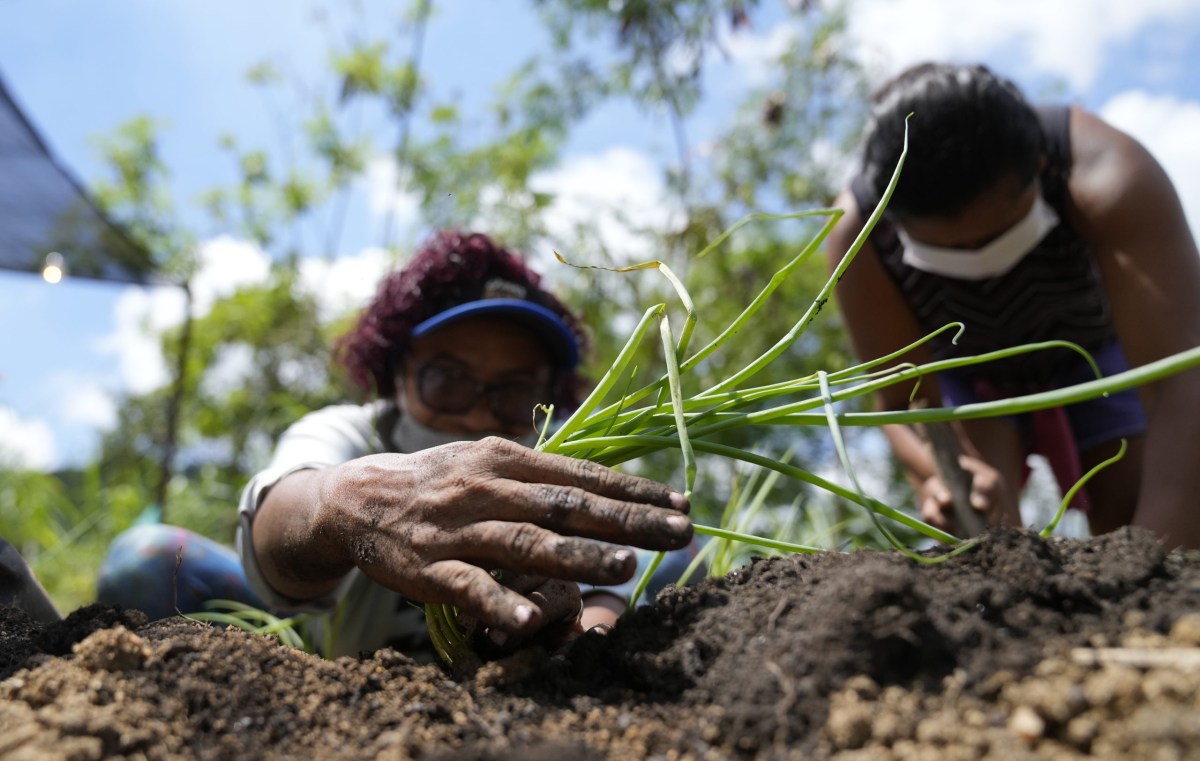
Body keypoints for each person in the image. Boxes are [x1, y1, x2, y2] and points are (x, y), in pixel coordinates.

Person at [99, 230, 695, 658]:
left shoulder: (556, 465)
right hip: (327, 657)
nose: (481, 411)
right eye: (448, 378)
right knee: (145, 562)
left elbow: (602, 599)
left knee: (675, 549)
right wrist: (350, 503)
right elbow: (280, 517)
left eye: (514, 390)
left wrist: (581, 639)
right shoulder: (353, 434)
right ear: (397, 370)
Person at [827, 62, 1200, 550]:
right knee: (984, 528)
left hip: (1097, 354)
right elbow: (900, 401)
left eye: (993, 238)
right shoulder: (862, 237)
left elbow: (1183, 378)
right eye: (947, 251)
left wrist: (1157, 566)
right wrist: (944, 474)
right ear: (894, 220)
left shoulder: (1109, 172)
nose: (976, 263)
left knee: (1134, 499)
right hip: (973, 375)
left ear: (1039, 170)